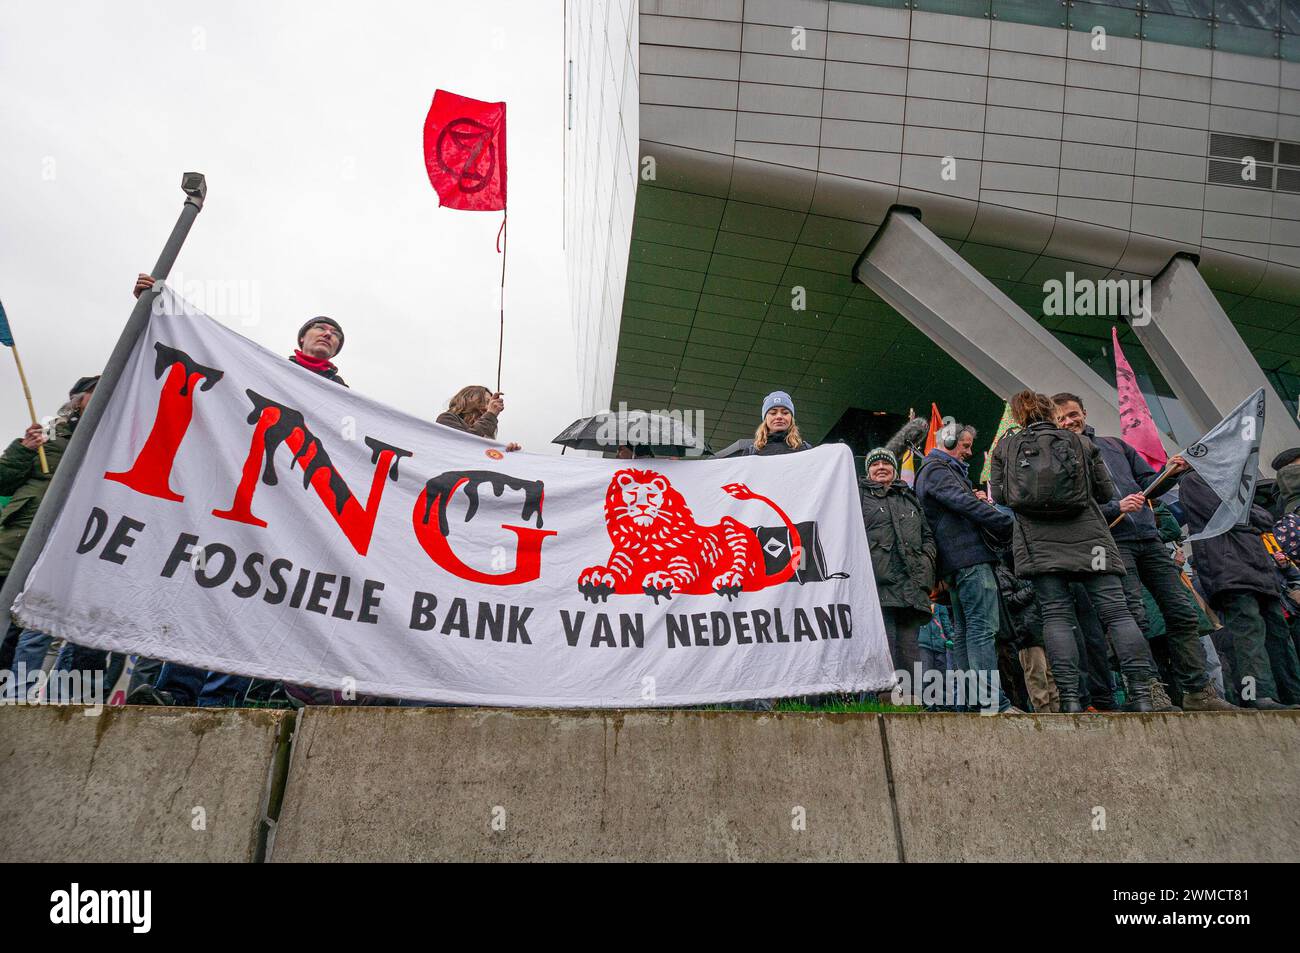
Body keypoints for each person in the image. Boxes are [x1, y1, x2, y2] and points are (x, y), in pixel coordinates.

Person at [1052, 393, 1235, 712]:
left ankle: (1196, 690)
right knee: (1131, 617)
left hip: (1148, 538)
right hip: (1111, 542)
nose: (1069, 422)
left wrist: (1171, 471)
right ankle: (1146, 690)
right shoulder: (1058, 458)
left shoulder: (1116, 446)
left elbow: (1150, 483)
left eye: (1072, 414)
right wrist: (1114, 508)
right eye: (1061, 419)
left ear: (1083, 412)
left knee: (1181, 611)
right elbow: (1071, 505)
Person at [989, 390, 1154, 712]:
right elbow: (1106, 491)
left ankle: (1071, 701)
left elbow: (999, 497)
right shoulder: (1079, 442)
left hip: (1039, 545)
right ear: (1051, 412)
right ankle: (1142, 696)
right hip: (1090, 538)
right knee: (1118, 614)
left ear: (1018, 416)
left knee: (1056, 618)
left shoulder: (1006, 447)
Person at [0, 376, 115, 700]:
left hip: (71, 548)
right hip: (20, 545)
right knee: (9, 624)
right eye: (95, 391)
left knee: (41, 626)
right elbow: (3, 482)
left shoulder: (112, 441)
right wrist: (23, 451)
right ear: (78, 398)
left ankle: (26, 698)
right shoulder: (47, 435)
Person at [914, 419, 1018, 713]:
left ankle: (974, 703)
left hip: (958, 564)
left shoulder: (935, 472)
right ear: (947, 443)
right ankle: (993, 702)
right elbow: (963, 504)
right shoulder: (937, 470)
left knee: (965, 631)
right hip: (969, 560)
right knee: (981, 629)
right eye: (965, 445)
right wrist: (1005, 522)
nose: (969, 452)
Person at [1180, 466, 1300, 709]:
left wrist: (1245, 516)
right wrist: (1246, 516)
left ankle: (1291, 694)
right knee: (1249, 633)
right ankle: (1256, 694)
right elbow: (1228, 514)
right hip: (1229, 572)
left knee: (1278, 635)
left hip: (1259, 570)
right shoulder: (1193, 481)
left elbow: (1263, 518)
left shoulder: (1230, 484)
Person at [135, 274, 348, 386]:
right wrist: (153, 307)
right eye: (320, 328)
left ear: (336, 348)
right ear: (302, 338)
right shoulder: (270, 369)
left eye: (335, 334)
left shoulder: (341, 392)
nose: (328, 334)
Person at [859, 447, 935, 696]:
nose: (881, 467)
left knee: (910, 648)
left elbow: (927, 537)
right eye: (875, 464)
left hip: (911, 586)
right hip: (878, 586)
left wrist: (926, 563)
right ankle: (883, 701)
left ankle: (911, 703)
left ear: (894, 468)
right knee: (885, 647)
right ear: (868, 470)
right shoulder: (858, 497)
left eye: (886, 463)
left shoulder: (910, 499)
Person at [994, 559, 1059, 713]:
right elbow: (1008, 602)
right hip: (1026, 631)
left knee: (1050, 675)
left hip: (1041, 626)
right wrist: (1033, 589)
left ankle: (1056, 711)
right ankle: (1043, 712)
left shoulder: (1026, 570)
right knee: (1037, 674)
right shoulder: (1003, 571)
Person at [437, 385, 521, 451]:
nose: (487, 407)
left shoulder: (486, 434)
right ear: (466, 400)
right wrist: (490, 414)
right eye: (485, 401)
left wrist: (506, 453)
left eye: (489, 404)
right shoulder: (446, 418)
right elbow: (468, 444)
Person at [743, 391, 811, 456]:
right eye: (773, 413)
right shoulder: (751, 453)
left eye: (785, 413)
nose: (779, 417)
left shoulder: (806, 450)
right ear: (765, 419)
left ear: (791, 418)